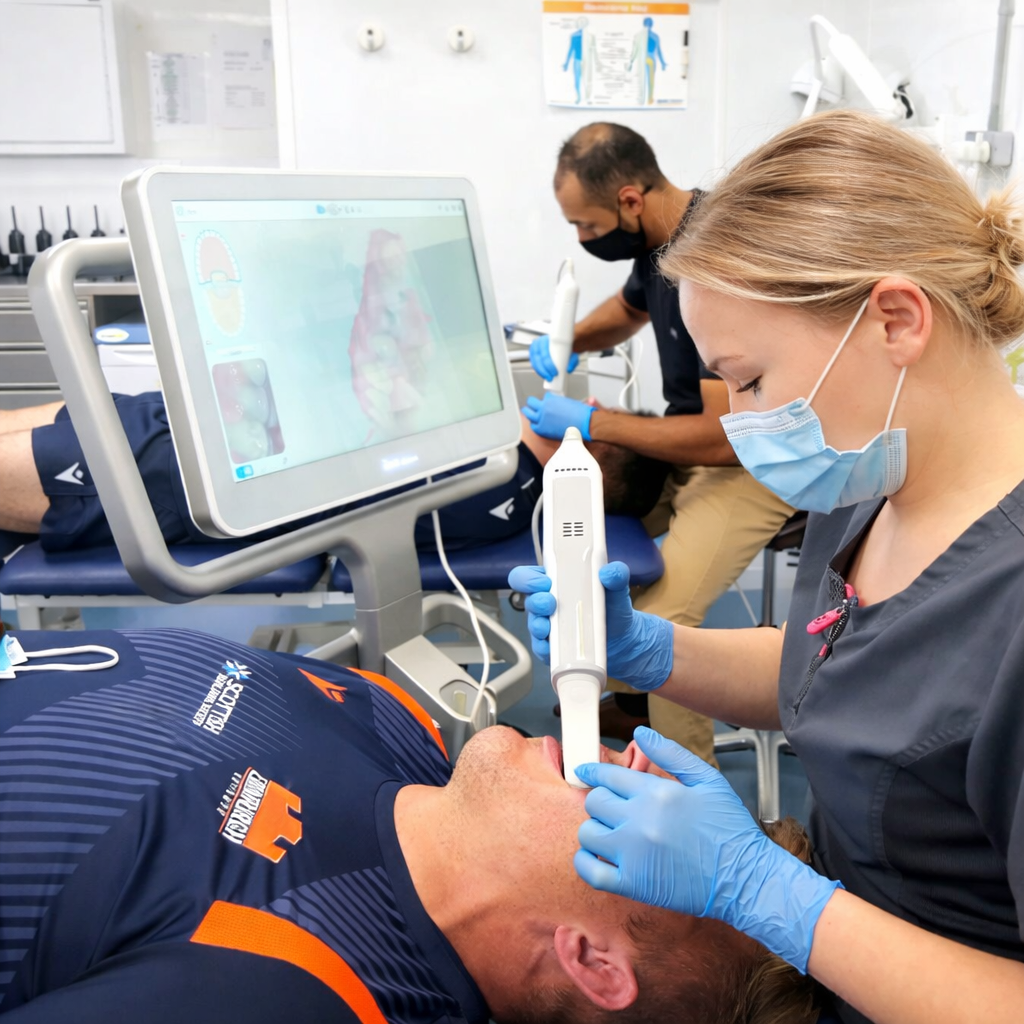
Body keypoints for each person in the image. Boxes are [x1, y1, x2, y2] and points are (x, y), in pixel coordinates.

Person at [511, 109, 1024, 1024]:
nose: (740, 419)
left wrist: (765, 892)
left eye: (748, 380)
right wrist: (649, 650)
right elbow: (835, 666)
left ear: (896, 319)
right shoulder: (872, 482)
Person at [0, 625, 818, 1023]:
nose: (655, 765)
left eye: (673, 838)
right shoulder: (394, 722)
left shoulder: (305, 992)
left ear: (593, 960)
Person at [525, 122, 793, 761]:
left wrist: (594, 424)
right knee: (586, 540)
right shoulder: (661, 245)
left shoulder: (715, 259)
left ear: (629, 201)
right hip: (693, 450)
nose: (584, 239)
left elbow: (725, 439)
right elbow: (628, 311)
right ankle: (638, 704)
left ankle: (682, 793)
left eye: (586, 226)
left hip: (751, 463)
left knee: (668, 615)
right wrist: (564, 342)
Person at [0, 393, 669, 556]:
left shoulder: (496, 484)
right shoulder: (504, 444)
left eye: (599, 419)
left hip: (177, 478)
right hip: (207, 418)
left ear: (597, 456)